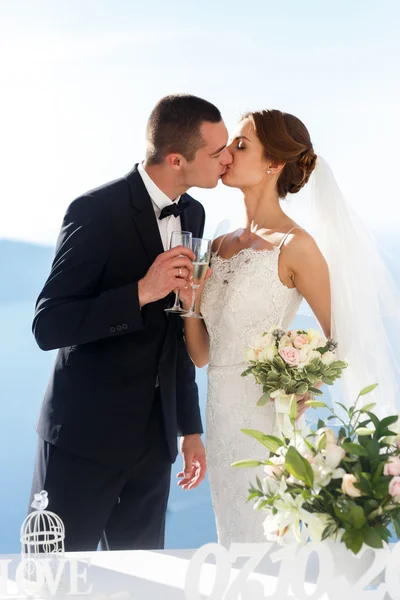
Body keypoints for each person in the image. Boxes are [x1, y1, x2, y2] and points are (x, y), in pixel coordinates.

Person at [29, 93, 232, 551]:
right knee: (54, 579)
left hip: (153, 446)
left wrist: (189, 429)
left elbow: (177, 332)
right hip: (83, 443)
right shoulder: (95, 211)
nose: (225, 159)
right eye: (216, 152)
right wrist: (143, 291)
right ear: (177, 158)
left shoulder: (194, 213)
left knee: (142, 585)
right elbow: (49, 324)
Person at [181, 109, 333, 546]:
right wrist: (191, 304)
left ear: (274, 165)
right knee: (232, 537)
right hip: (222, 417)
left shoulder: (295, 246)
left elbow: (339, 333)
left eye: (241, 146)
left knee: (267, 542)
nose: (226, 153)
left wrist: (307, 383)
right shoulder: (215, 245)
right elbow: (202, 355)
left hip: (268, 418)